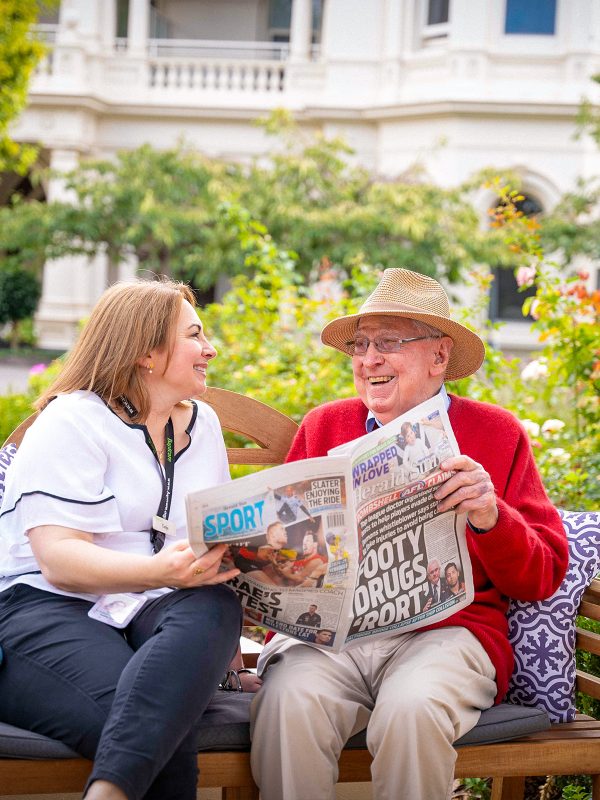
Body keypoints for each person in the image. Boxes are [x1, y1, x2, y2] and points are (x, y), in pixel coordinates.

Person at [250, 267, 568, 800]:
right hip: (334, 641)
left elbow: (541, 577)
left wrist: (491, 515)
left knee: (413, 708)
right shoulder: (324, 427)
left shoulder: (496, 432)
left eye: (389, 342)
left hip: (447, 636)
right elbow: (285, 562)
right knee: (288, 701)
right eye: (360, 345)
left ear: (440, 356)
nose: (368, 359)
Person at [0, 279, 247, 800]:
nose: (211, 349)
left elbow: (212, 540)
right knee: (154, 722)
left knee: (214, 605)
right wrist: (162, 572)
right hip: (47, 606)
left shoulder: (203, 425)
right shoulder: (71, 418)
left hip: (153, 606)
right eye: (195, 336)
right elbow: (58, 560)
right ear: (145, 352)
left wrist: (226, 665)